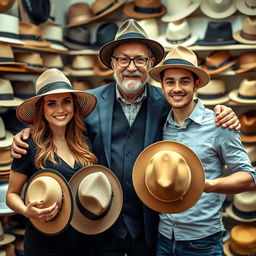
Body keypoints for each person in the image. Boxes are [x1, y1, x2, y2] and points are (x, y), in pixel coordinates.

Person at [11, 20, 240, 256]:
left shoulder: (167, 102)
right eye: (123, 59)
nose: (131, 67)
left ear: (151, 63)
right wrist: (24, 133)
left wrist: (223, 112)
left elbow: (194, 111)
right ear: (113, 63)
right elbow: (53, 116)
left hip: (149, 229)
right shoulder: (89, 104)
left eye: (140, 59)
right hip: (100, 227)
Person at [148, 45, 256, 256]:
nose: (176, 88)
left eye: (184, 81)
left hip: (202, 243)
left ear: (197, 84)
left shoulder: (219, 125)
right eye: (170, 81)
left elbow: (249, 178)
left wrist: (207, 185)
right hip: (163, 238)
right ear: (162, 86)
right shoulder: (159, 125)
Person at [6, 68, 98, 256]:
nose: (60, 110)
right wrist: (26, 211)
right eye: (51, 104)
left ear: (74, 105)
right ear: (42, 109)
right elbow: (11, 195)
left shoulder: (85, 140)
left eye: (66, 101)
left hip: (84, 242)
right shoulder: (28, 145)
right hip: (45, 244)